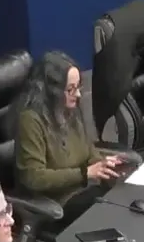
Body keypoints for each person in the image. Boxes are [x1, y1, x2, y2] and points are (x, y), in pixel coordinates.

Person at [14, 51, 136, 223]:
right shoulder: (30, 120)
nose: (78, 94)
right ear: (52, 91)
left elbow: (87, 150)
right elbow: (34, 177)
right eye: (70, 89)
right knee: (110, 209)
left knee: (124, 195)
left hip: (83, 190)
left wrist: (103, 164)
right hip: (57, 204)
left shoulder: (69, 110)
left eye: (78, 87)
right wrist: (84, 174)